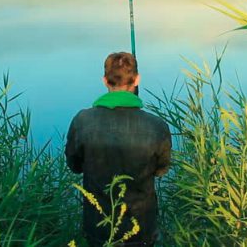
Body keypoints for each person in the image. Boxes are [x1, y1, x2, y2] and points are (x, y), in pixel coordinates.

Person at [65, 52, 172, 246]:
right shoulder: (157, 125)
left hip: (98, 227)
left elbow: (74, 165)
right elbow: (161, 169)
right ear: (137, 79)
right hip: (142, 228)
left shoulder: (82, 121)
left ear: (105, 81)